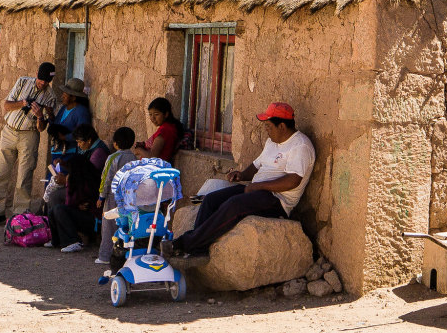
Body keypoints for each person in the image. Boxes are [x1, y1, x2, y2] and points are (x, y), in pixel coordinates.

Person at [162, 102, 315, 260]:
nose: (266, 130)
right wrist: (241, 175)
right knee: (210, 200)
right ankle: (199, 248)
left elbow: (293, 181)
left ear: (282, 126)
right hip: (256, 190)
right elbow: (257, 165)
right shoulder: (272, 142)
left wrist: (257, 186)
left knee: (234, 205)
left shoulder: (300, 146)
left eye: (269, 126)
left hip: (277, 201)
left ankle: (185, 244)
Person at [0, 62, 59, 227]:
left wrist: (40, 115)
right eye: (40, 80)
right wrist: (23, 103)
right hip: (9, 132)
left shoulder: (50, 97)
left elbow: (41, 129)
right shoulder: (22, 82)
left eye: (46, 82)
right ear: (36, 74)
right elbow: (6, 105)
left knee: (24, 176)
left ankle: (19, 215)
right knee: (2, 173)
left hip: (29, 135)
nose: (42, 84)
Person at [95, 127, 137, 265]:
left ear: (115, 143)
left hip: (113, 196)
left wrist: (101, 196)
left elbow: (106, 178)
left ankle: (105, 256)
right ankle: (124, 256)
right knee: (126, 226)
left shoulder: (113, 158)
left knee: (108, 226)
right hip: (129, 198)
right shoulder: (134, 158)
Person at [47, 153, 102, 253]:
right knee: (52, 211)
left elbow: (69, 203)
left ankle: (73, 241)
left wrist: (67, 183)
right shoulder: (81, 179)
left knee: (59, 210)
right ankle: (56, 240)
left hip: (93, 222)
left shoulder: (85, 181)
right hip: (84, 216)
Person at [40, 77, 91, 170]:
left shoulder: (81, 112)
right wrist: (51, 116)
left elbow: (83, 134)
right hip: (57, 153)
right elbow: (56, 125)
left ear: (73, 97)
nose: (62, 96)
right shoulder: (64, 108)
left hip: (69, 154)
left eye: (65, 94)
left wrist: (64, 137)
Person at [133, 97, 182, 162]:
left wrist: (139, 150)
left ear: (166, 114)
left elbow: (152, 157)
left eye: (156, 114)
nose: (152, 118)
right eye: (150, 115)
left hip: (154, 169)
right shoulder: (167, 128)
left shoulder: (165, 131)